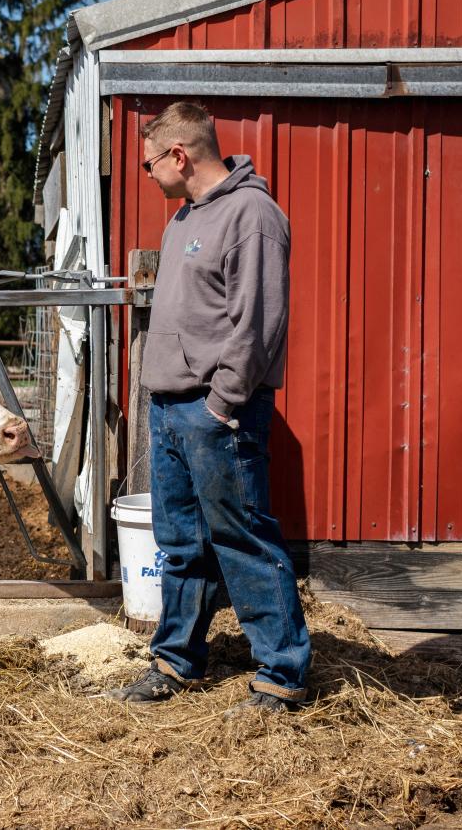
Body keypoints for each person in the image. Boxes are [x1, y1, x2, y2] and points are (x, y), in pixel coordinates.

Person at [108, 101, 310, 717]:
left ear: (180, 155)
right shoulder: (184, 219)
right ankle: (176, 661)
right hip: (171, 410)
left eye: (150, 164)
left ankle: (281, 674)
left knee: (242, 538)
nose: (148, 174)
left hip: (215, 411)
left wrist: (222, 404)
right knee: (181, 543)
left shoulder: (252, 216)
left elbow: (260, 325)